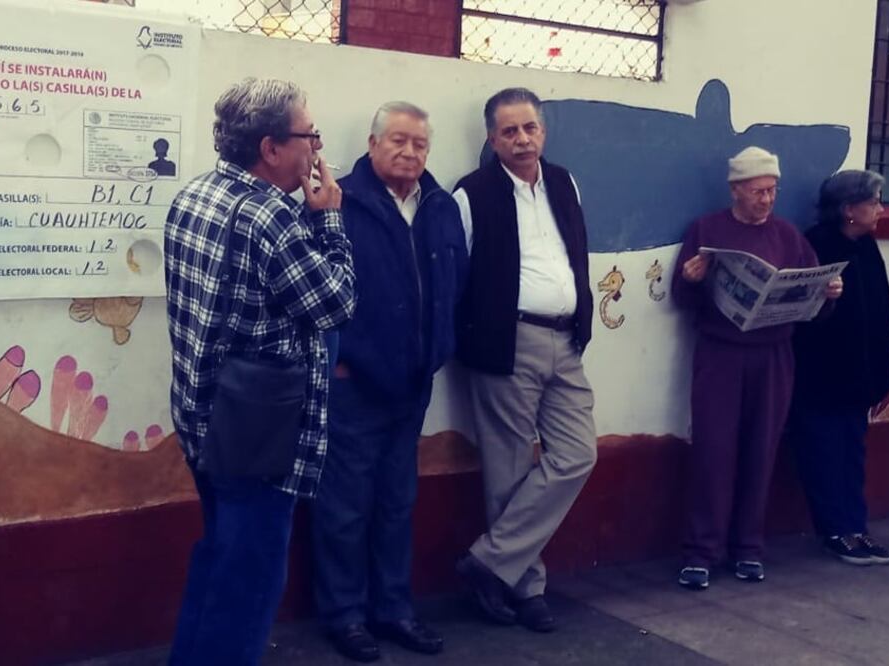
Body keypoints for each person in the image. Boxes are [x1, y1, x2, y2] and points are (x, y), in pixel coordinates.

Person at [163, 77, 356, 666]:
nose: (317, 151)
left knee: (221, 562)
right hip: (258, 436)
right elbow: (335, 303)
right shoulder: (272, 218)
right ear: (271, 148)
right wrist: (328, 221)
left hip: (204, 419)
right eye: (309, 135)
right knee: (248, 588)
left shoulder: (195, 194)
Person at [310, 101, 467, 662]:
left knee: (398, 502)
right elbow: (315, 286)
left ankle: (393, 609)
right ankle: (345, 615)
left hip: (412, 385)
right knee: (346, 505)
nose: (409, 152)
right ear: (373, 143)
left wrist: (439, 350)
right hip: (353, 384)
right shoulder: (339, 201)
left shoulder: (441, 206)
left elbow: (456, 283)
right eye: (397, 141)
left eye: (419, 144)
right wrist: (338, 357)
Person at [451, 87, 597, 633]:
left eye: (529, 127)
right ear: (492, 138)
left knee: (577, 455)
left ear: (543, 130)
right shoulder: (473, 193)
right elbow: (457, 278)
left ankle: (487, 562)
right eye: (509, 131)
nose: (521, 139)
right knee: (509, 470)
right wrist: (475, 339)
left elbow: (574, 250)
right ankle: (525, 587)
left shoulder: (563, 181)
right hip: (507, 342)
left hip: (566, 340)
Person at [670, 146, 843, 590]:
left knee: (760, 450)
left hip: (774, 356)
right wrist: (691, 279)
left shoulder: (787, 236)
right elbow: (682, 300)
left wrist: (827, 295)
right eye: (758, 192)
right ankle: (701, 552)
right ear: (736, 190)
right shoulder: (707, 230)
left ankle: (748, 547)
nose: (767, 200)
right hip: (721, 354)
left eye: (773, 191)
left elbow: (814, 312)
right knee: (714, 451)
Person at [789, 170, 889, 566]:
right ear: (849, 209)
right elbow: (803, 314)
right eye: (874, 202)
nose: (881, 209)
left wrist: (885, 371)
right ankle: (834, 530)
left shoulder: (868, 247)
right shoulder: (815, 245)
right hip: (821, 376)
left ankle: (857, 528)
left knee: (852, 454)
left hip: (861, 376)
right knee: (822, 453)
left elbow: (882, 311)